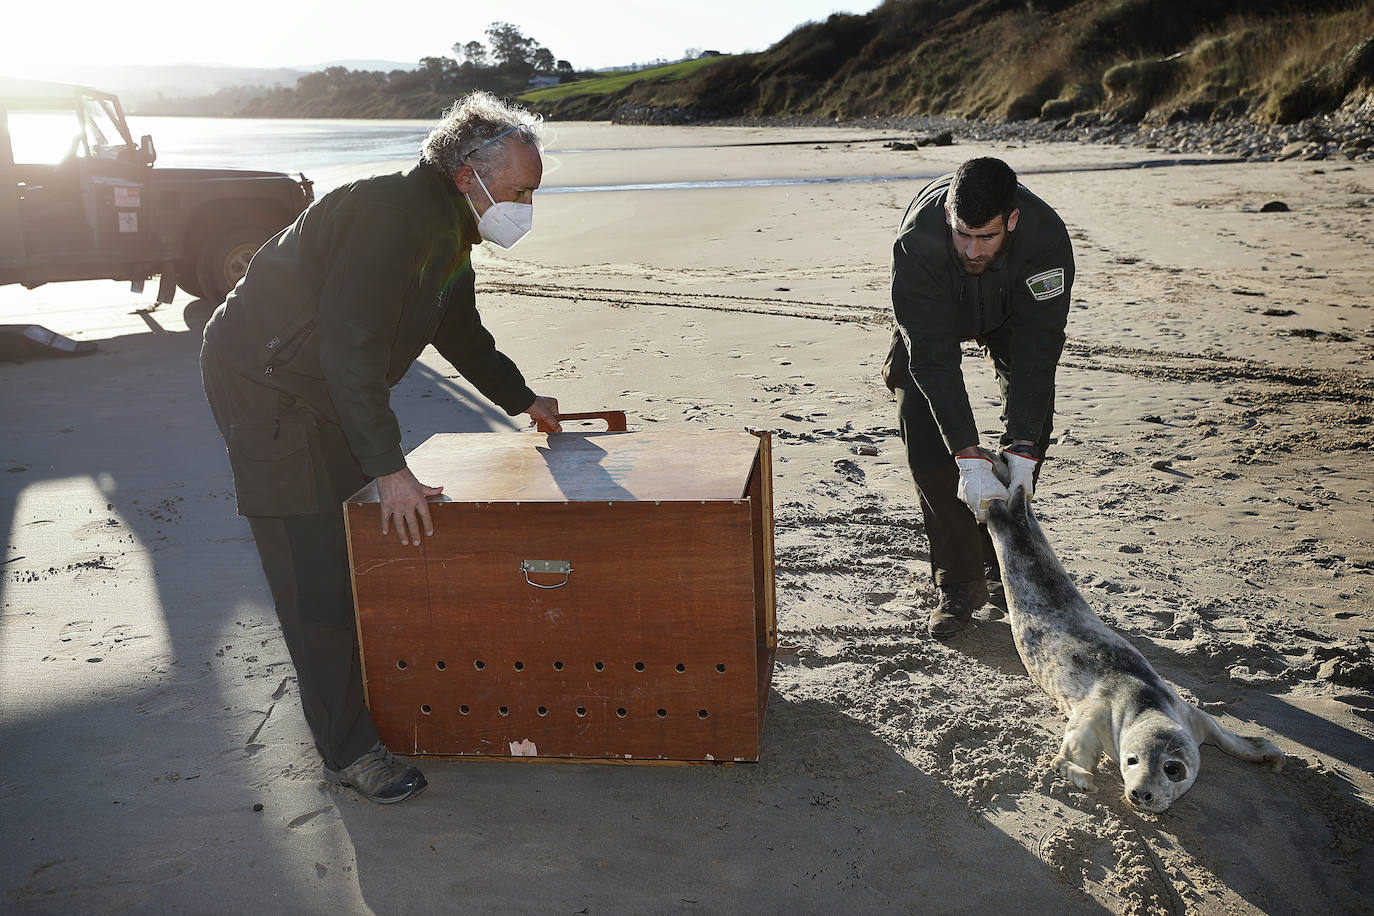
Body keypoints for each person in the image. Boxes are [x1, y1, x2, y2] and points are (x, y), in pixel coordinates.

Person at [200, 91, 562, 803]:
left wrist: (522, 398)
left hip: (325, 386)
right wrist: (390, 468)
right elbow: (350, 350)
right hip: (267, 386)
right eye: (521, 191)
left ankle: (370, 700)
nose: (526, 205)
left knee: (354, 549)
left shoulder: (448, 231)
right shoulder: (389, 217)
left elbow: (459, 330)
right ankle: (350, 752)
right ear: (469, 175)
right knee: (314, 579)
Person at [883, 157, 1074, 637]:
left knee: (1031, 426)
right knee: (920, 419)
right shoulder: (917, 242)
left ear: (1011, 221)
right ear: (948, 214)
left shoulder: (1046, 238)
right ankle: (960, 581)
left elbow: (1038, 351)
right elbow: (931, 357)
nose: (971, 250)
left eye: (985, 237)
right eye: (961, 234)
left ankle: (1003, 561)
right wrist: (967, 457)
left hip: (1015, 315)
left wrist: (1025, 449)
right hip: (937, 317)